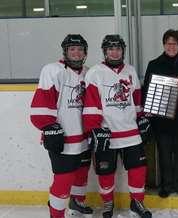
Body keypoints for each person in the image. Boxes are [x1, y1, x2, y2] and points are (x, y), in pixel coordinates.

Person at [82, 34, 151, 218]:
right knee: (106, 172)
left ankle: (137, 202)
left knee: (138, 169)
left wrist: (141, 118)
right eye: (111, 49)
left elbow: (136, 100)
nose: (115, 52)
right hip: (107, 134)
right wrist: (94, 129)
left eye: (118, 48)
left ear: (123, 51)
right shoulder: (95, 72)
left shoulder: (130, 71)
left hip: (131, 133)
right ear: (105, 51)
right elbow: (91, 104)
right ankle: (108, 203)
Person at [30, 34, 93, 218]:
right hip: (63, 137)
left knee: (81, 173)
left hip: (84, 136)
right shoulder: (52, 70)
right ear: (65, 51)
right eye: (72, 49)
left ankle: (77, 202)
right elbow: (42, 103)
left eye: (80, 49)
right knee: (63, 179)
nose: (76, 52)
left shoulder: (88, 72)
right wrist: (49, 127)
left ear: (85, 53)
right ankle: (56, 214)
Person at [142, 29, 178, 198]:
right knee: (164, 154)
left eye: (174, 43)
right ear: (163, 44)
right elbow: (147, 89)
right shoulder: (153, 64)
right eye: (168, 43)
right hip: (162, 119)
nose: (171, 46)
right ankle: (166, 185)